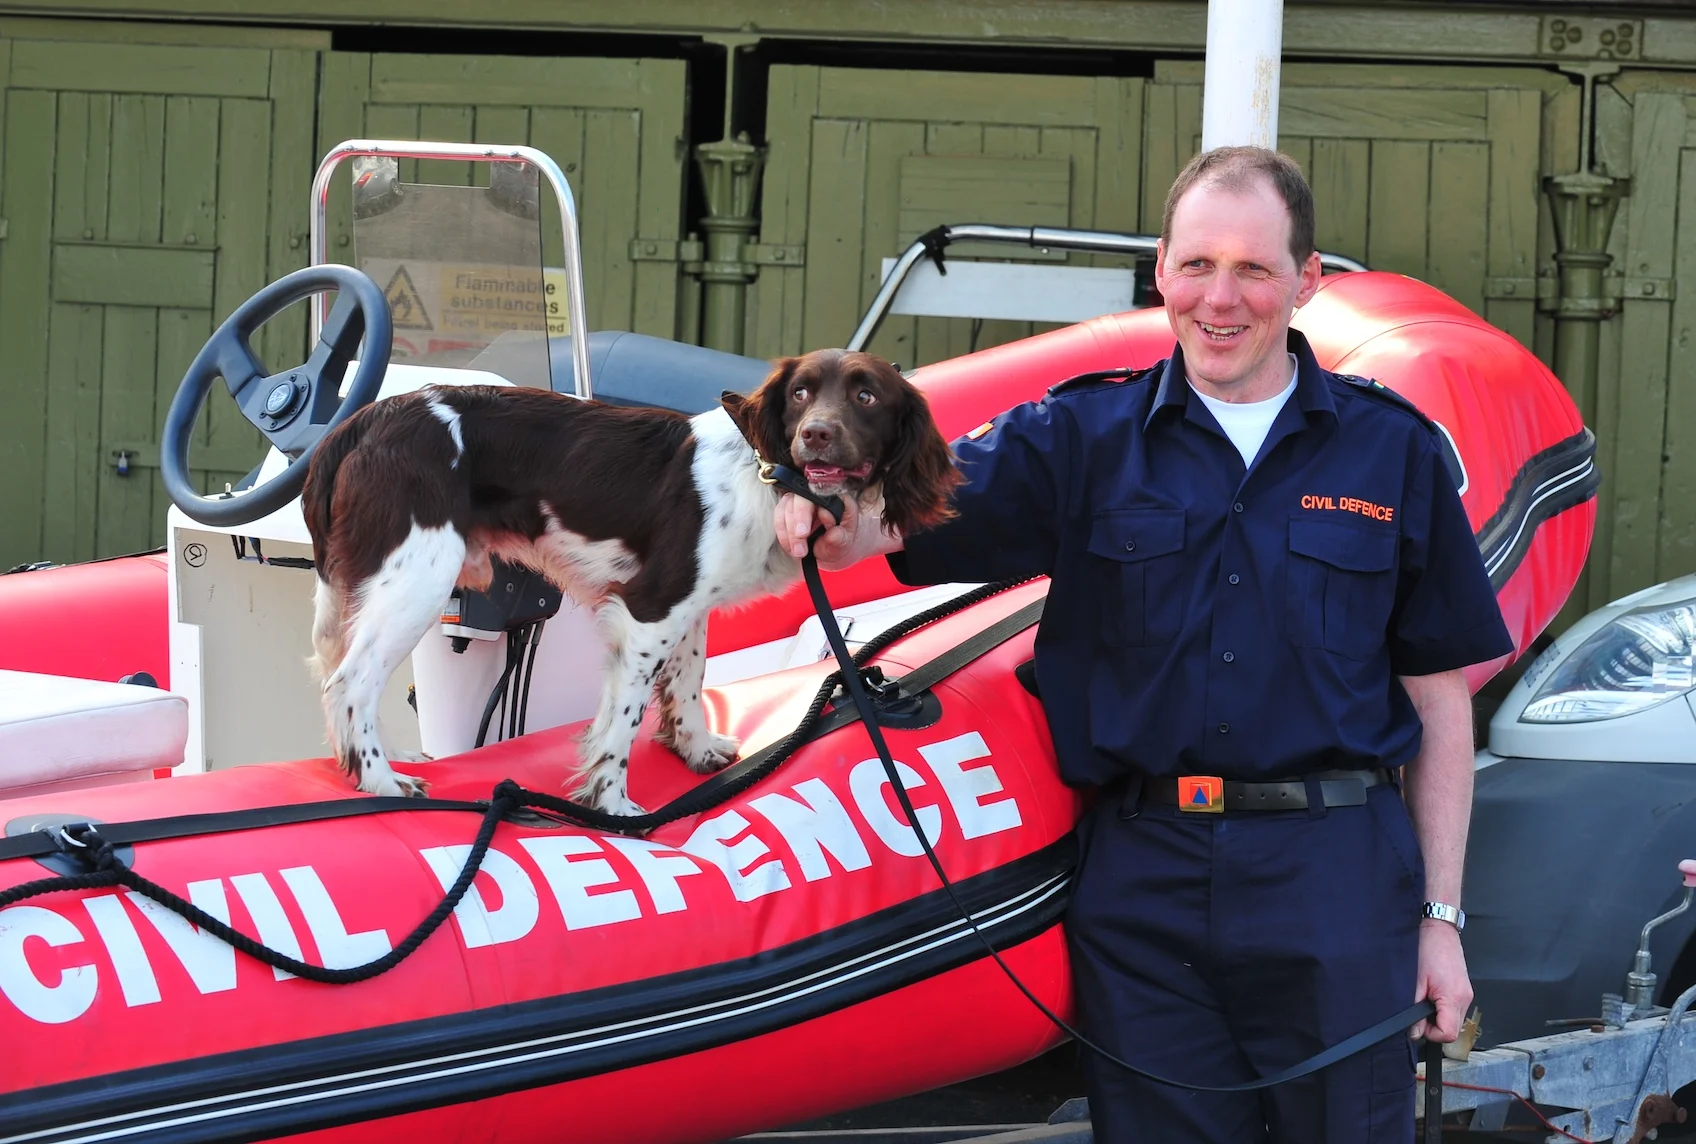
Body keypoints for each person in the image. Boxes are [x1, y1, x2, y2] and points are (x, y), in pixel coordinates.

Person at [775, 145, 1513, 1142]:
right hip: (1143, 879)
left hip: (1333, 875)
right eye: (1198, 264)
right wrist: (803, 494)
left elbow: (1436, 697)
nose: (1221, 297)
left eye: (1253, 268)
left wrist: (1442, 922)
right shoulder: (1077, 437)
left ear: (1305, 280)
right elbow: (887, 527)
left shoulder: (1392, 450)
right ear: (1160, 270)